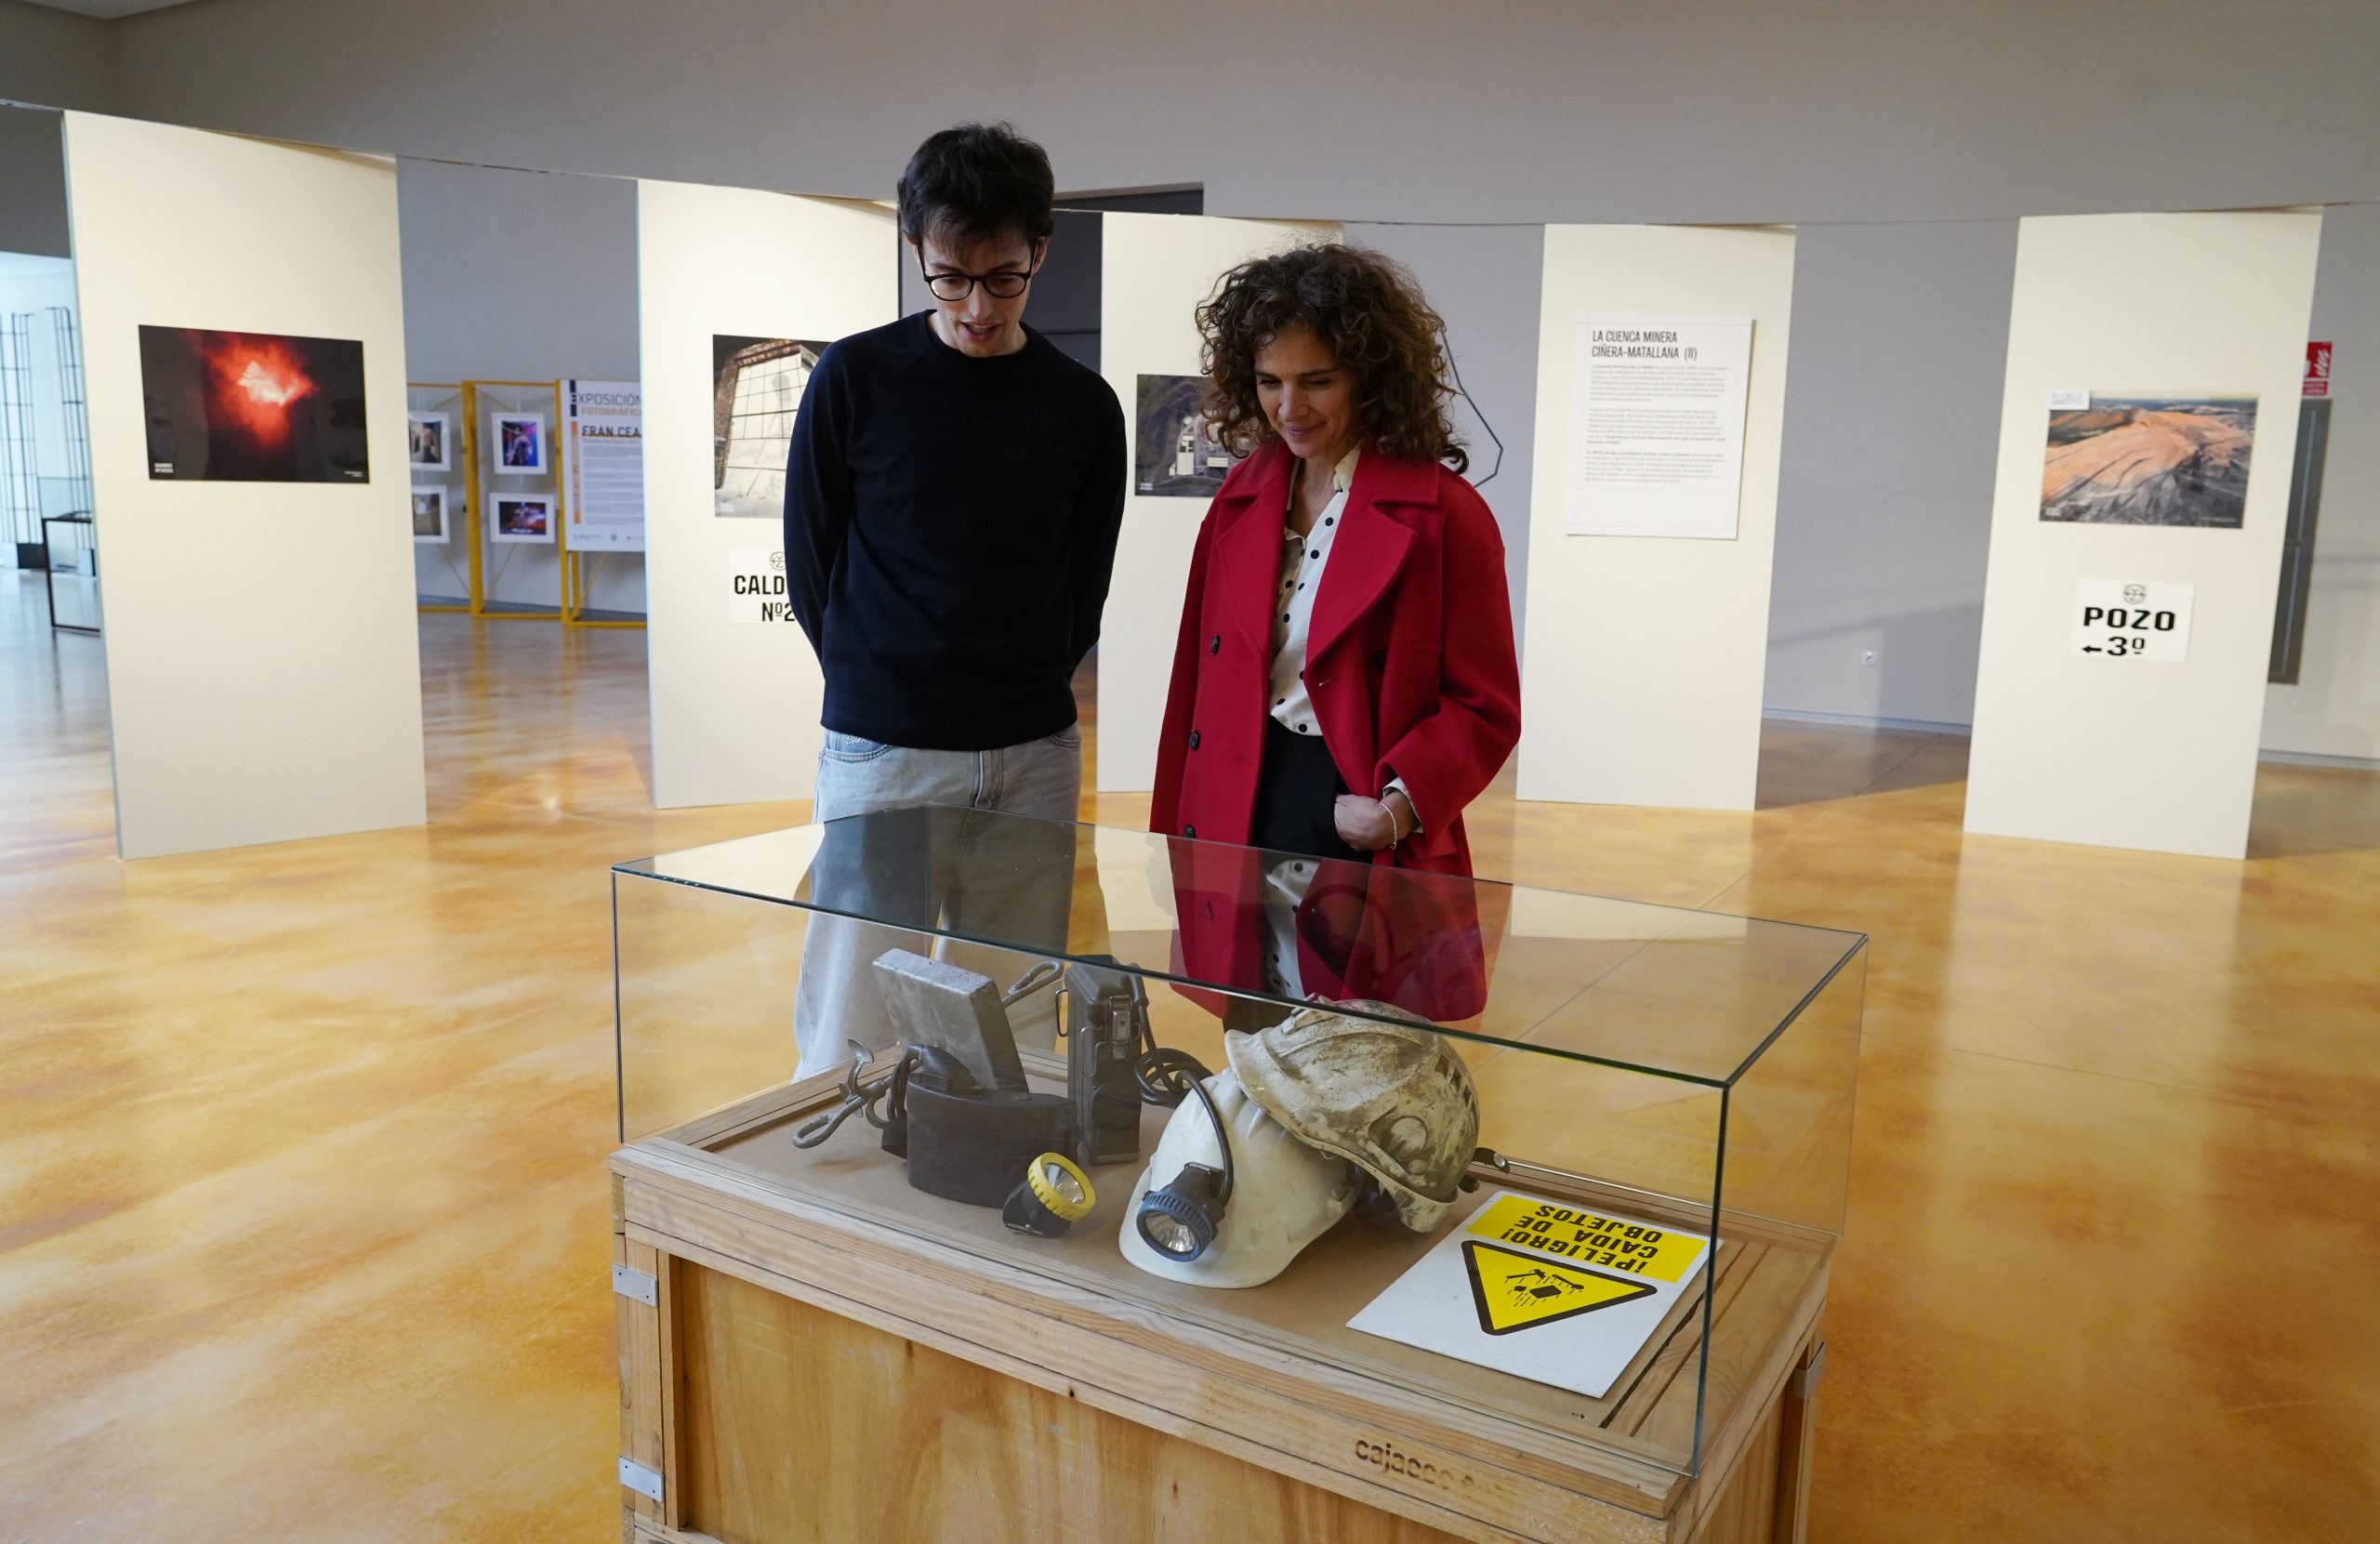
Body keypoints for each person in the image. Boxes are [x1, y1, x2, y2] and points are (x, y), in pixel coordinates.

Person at [783, 123, 1127, 1076]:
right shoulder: (853, 380)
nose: (977, 305)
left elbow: (1083, 585)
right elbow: (810, 566)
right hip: (885, 746)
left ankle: (989, 1190)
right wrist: (883, 681)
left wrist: (1015, 687)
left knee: (1011, 1016)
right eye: (951, 276)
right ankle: (831, 1205)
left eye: (1004, 277)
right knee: (853, 1018)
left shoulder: (1081, 406)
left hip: (1031, 751)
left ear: (1041, 250)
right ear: (914, 251)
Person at [1154, 244, 1520, 878]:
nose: (1289, 409)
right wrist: (1174, 832)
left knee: (1355, 980)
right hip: (1233, 796)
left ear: (1371, 377)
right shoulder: (1237, 500)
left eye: (1317, 381)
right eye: (1270, 381)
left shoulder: (1447, 516)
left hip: (1359, 806)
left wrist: (1401, 804)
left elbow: (1485, 705)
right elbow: (1193, 677)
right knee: (1244, 978)